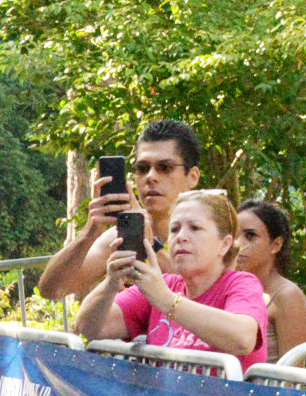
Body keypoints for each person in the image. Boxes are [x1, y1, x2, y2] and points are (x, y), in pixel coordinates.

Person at [75, 189, 269, 369]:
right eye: (175, 229)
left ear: (224, 245)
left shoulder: (242, 283)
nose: (181, 237)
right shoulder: (164, 284)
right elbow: (90, 328)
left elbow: (243, 338)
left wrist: (166, 300)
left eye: (195, 228)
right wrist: (110, 283)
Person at [37, 120, 204, 301]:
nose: (151, 177)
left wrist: (151, 247)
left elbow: (204, 291)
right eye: (142, 168)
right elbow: (51, 291)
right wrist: (90, 231)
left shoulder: (213, 233)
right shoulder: (120, 239)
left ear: (192, 177)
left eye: (165, 168)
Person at [234, 200, 306, 364]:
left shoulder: (287, 295)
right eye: (234, 235)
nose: (238, 244)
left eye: (250, 236)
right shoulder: (229, 288)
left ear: (276, 245)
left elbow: (293, 374)